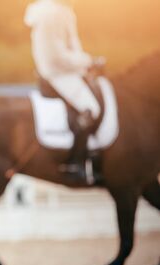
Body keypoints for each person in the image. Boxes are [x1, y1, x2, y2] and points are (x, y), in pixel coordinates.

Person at [24, 0, 105, 180]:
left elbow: (71, 48)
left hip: (65, 71)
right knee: (91, 109)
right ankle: (74, 164)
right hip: (57, 74)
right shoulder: (52, 13)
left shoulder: (63, 11)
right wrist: (88, 61)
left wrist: (85, 65)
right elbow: (57, 55)